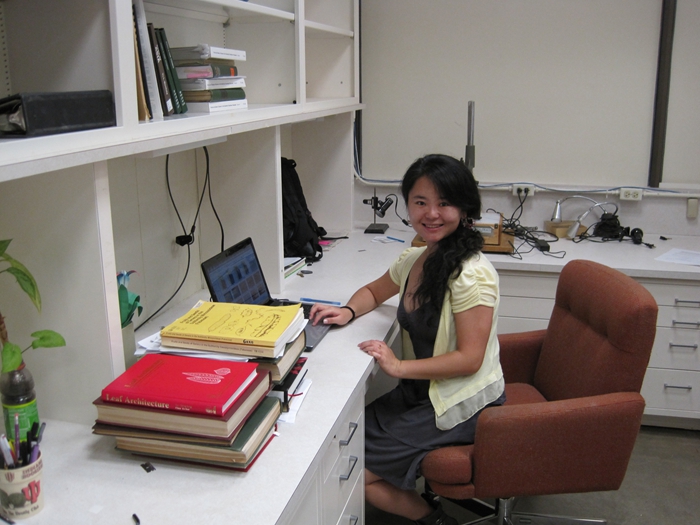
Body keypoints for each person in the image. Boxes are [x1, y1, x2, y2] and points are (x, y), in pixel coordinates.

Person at [309, 154, 505, 525]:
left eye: (444, 203)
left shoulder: (472, 275)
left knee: (351, 474)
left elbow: (470, 359)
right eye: (420, 202)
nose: (431, 213)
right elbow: (374, 290)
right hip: (420, 393)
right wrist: (347, 311)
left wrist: (398, 366)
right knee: (341, 445)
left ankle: (437, 521)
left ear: (465, 208)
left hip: (457, 402)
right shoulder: (416, 259)